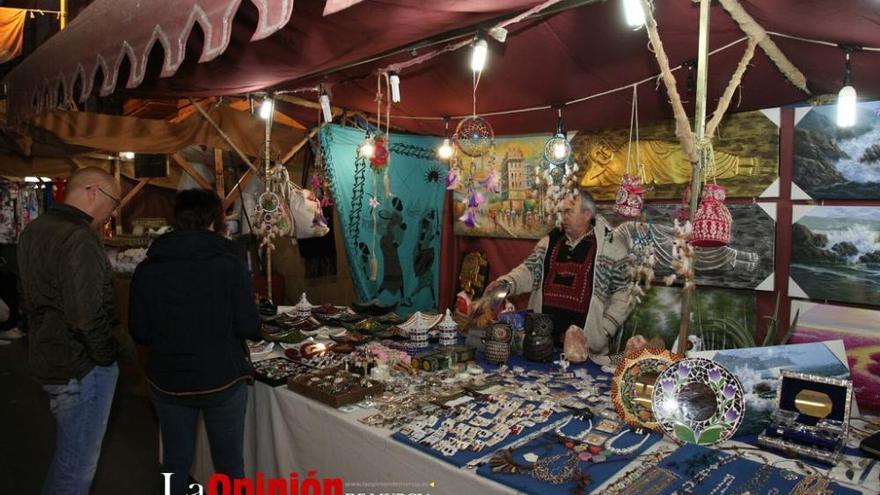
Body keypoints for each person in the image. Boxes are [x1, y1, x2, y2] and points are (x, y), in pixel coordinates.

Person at [130, 189, 260, 495]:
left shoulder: (148, 267)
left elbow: (141, 332)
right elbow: (249, 326)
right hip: (222, 379)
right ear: (217, 220)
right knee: (229, 466)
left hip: (167, 380)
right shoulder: (231, 262)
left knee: (175, 461)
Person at [18, 167, 135, 495]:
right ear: (93, 192)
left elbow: (26, 300)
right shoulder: (79, 237)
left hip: (48, 360)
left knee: (68, 459)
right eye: (113, 203)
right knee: (75, 471)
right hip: (80, 367)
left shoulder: (34, 230)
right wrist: (104, 356)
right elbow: (85, 316)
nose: (112, 212)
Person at [486, 189, 634, 364]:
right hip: (542, 347)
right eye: (561, 212)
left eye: (569, 211)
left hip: (587, 352)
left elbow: (625, 293)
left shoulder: (612, 248)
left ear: (587, 214)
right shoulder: (550, 241)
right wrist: (506, 283)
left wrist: (604, 330)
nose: (563, 217)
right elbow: (528, 271)